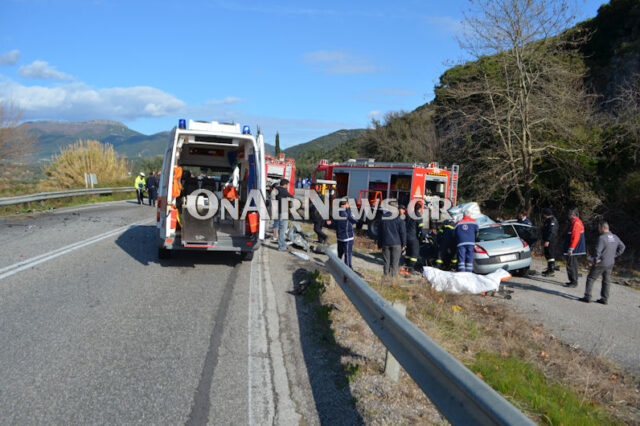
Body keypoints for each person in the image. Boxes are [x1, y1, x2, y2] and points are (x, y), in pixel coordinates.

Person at [579, 222, 625, 304]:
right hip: (610, 262)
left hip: (601, 263)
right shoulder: (615, 237)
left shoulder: (602, 238)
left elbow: (598, 251)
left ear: (603, 228)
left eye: (599, 228)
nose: (598, 229)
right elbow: (622, 247)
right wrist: (615, 255)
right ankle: (604, 298)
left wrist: (596, 260)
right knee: (606, 280)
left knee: (591, 278)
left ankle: (587, 296)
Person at [377, 201, 406, 277]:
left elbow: (380, 232)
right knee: (394, 263)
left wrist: (379, 244)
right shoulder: (399, 220)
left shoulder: (383, 218)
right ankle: (392, 280)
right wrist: (404, 244)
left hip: (385, 243)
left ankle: (385, 277)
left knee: (386, 262)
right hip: (396, 244)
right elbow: (402, 233)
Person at [563, 209, 586, 287]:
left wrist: (571, 248)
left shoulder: (576, 223)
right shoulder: (576, 223)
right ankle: (573, 280)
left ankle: (573, 281)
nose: (568, 216)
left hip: (574, 249)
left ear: (573, 215)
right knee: (573, 264)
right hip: (575, 248)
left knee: (571, 265)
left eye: (569, 215)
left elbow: (575, 237)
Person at [335, 199, 358, 268]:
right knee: (348, 254)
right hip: (347, 237)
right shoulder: (346, 214)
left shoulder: (337, 213)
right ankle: (348, 269)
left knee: (339, 254)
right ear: (344, 205)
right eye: (347, 204)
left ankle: (337, 266)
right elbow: (355, 221)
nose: (349, 205)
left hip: (339, 237)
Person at [404, 203, 424, 273]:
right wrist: (422, 238)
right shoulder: (419, 216)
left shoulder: (409, 215)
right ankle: (411, 268)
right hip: (414, 238)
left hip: (406, 237)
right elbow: (421, 229)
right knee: (414, 254)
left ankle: (406, 265)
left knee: (408, 253)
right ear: (420, 209)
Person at [275, 178, 294, 251]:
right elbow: (292, 196)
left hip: (280, 211)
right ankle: (282, 246)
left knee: (282, 229)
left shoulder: (277, 190)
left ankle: (282, 245)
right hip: (283, 212)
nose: (288, 186)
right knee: (282, 230)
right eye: (287, 185)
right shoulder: (283, 190)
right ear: (285, 185)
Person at [541, 208, 559, 276]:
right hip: (546, 240)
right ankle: (549, 268)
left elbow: (552, 232)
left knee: (550, 255)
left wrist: (548, 240)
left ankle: (551, 270)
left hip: (551, 241)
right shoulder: (547, 221)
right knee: (547, 254)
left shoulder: (552, 221)